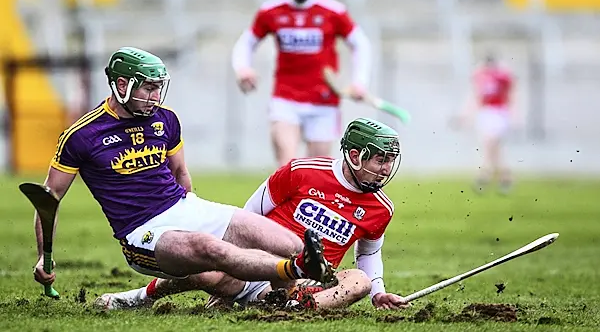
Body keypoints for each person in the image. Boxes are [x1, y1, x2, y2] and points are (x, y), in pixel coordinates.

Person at [32, 46, 336, 300]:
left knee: (289, 243)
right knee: (211, 249)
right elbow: (50, 198)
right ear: (122, 85)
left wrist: (195, 212)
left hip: (184, 206)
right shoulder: (82, 135)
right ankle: (299, 269)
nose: (155, 97)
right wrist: (42, 256)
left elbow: (180, 172)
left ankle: (283, 301)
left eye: (158, 88)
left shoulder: (165, 119)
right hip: (142, 232)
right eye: (148, 88)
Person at [96, 117, 411, 311]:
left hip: (305, 286)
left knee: (358, 281)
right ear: (355, 156)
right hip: (256, 268)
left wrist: (378, 294)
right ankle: (137, 297)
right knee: (203, 269)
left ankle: (295, 309)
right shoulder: (301, 171)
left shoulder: (381, 208)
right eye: (379, 160)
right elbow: (246, 218)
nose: (385, 169)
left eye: (390, 160)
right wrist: (236, 264)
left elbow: (369, 256)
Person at [232, 0, 371, 167]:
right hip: (285, 98)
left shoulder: (334, 11)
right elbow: (246, 42)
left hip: (323, 101)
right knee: (287, 165)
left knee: (318, 169)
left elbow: (360, 44)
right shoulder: (271, 10)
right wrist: (243, 68)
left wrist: (360, 82)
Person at [457, 53, 517, 194]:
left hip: (498, 113)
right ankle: (503, 178)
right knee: (494, 149)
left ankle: (484, 176)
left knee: (490, 146)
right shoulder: (482, 77)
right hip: (488, 113)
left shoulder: (501, 77)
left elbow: (511, 94)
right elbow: (476, 97)